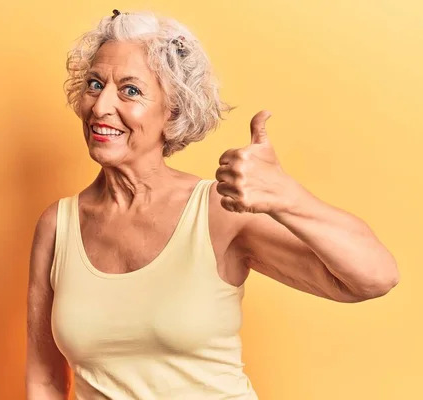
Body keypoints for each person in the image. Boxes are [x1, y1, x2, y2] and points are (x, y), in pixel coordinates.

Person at [25, 9, 399, 400]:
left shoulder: (216, 212)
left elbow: (375, 276)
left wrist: (286, 197)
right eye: (95, 84)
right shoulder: (58, 225)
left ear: (173, 112)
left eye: (130, 90)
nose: (101, 107)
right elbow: (45, 379)